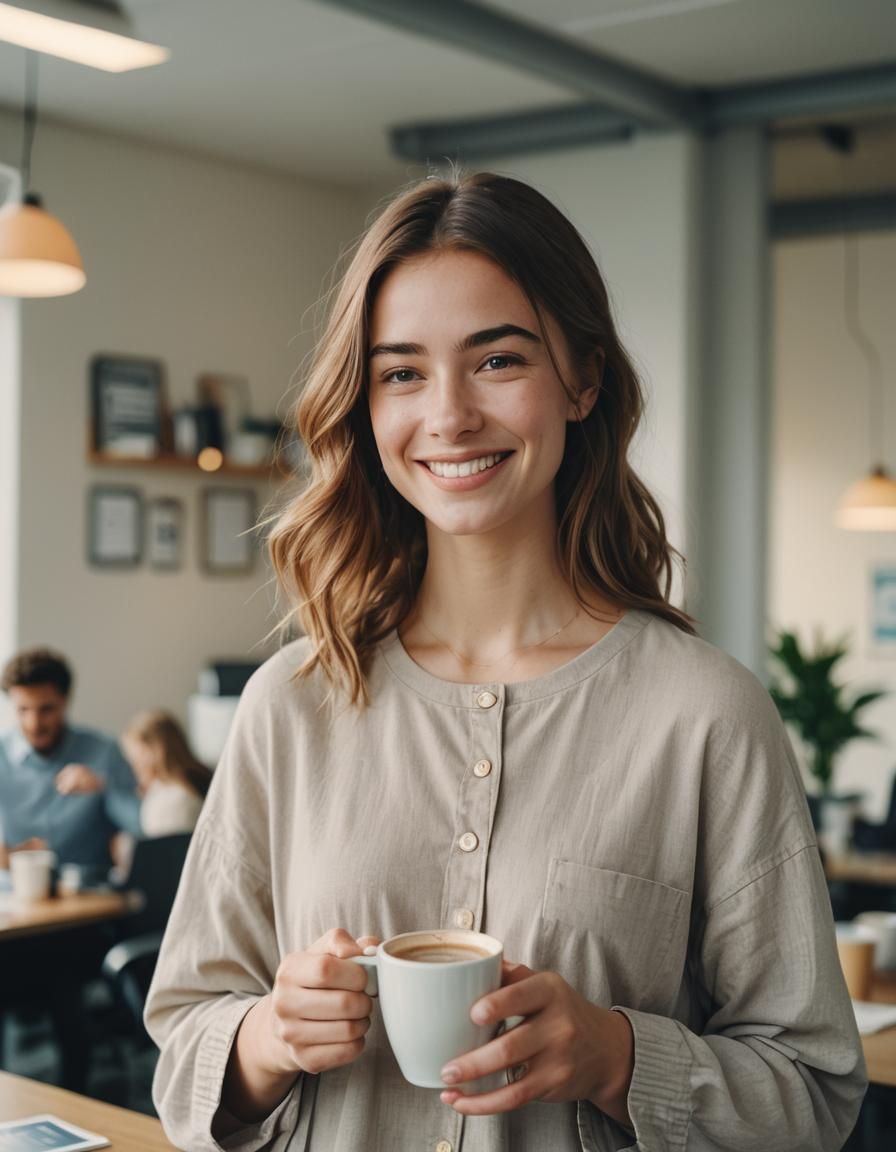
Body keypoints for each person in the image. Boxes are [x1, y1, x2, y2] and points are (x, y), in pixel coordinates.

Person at [145, 173, 865, 1151]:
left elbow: (815, 1095)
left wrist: (616, 1056)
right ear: (364, 403)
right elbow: (181, 1041)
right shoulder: (292, 705)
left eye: (495, 360)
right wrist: (265, 1038)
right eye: (400, 372)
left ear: (582, 380)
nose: (446, 416)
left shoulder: (706, 714)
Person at [0, 646, 141, 882]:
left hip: (90, 898)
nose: (34, 723)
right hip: (17, 898)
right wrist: (10, 855)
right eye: (23, 710)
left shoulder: (103, 752)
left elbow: (142, 826)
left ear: (65, 701)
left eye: (46, 709)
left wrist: (104, 787)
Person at [122, 709, 211, 837]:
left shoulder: (176, 801)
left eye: (136, 758)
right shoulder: (199, 779)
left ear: (155, 752)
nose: (134, 767)